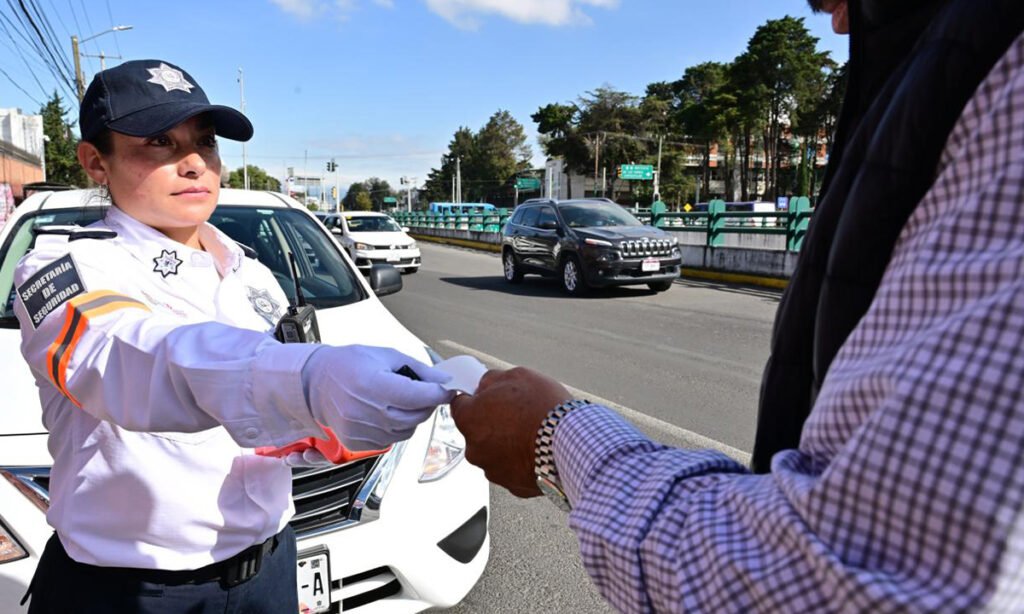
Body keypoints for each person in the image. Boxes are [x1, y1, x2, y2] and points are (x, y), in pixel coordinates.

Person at [451, 2, 1024, 612]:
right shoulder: (946, 64)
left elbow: (868, 574)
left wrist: (554, 437)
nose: (833, 19)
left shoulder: (993, 68)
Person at [13, 59, 454, 613]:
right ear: (96, 162)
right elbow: (133, 357)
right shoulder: (64, 267)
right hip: (132, 589)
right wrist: (307, 382)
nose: (195, 163)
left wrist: (322, 432)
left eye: (205, 142)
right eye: (159, 142)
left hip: (269, 567)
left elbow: (259, 430)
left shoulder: (251, 273)